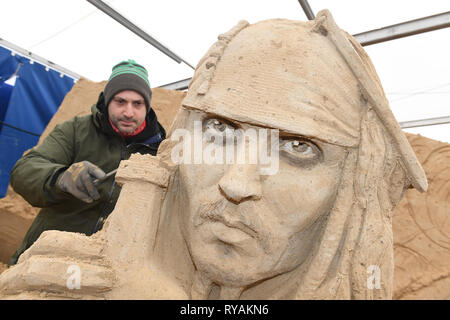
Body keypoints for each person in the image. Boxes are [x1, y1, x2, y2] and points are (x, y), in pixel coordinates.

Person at [8, 59, 166, 266]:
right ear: (107, 100)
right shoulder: (76, 130)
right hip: (46, 257)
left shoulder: (161, 151)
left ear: (147, 106)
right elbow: (23, 171)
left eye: (137, 104)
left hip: (106, 268)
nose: (129, 112)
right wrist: (61, 178)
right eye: (120, 102)